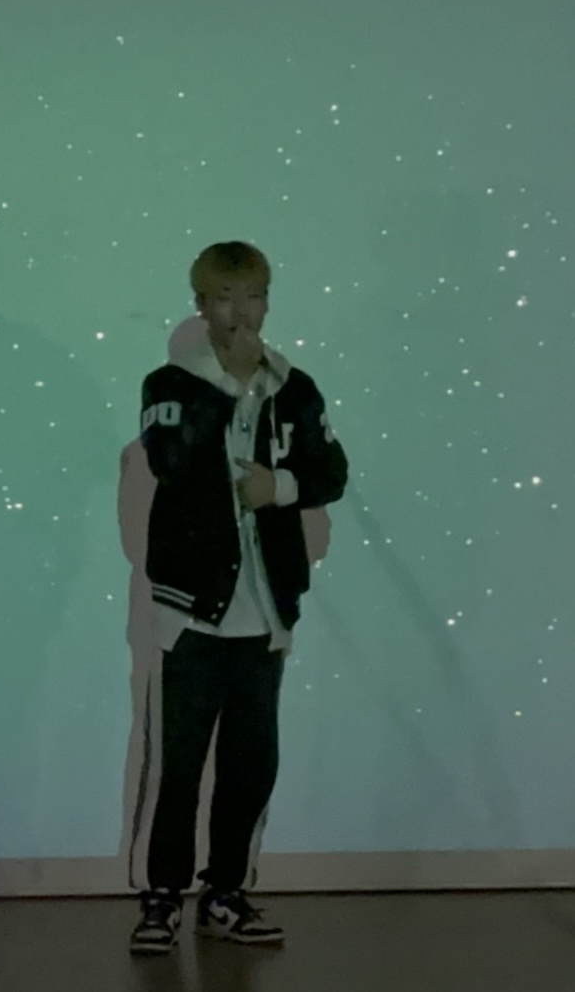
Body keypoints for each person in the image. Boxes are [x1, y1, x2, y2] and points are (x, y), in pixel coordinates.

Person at [127, 241, 349, 954]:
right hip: (191, 610)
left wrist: (276, 487)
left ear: (267, 302)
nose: (240, 312)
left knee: (251, 764)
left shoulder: (294, 387)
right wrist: (230, 389)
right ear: (201, 305)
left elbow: (330, 471)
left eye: (252, 296)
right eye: (224, 298)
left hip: (266, 610)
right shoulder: (170, 384)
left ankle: (225, 891)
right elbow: (170, 460)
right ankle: (161, 895)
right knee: (179, 764)